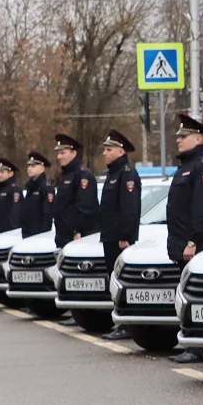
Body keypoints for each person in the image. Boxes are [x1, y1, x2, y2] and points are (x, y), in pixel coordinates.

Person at [165, 113, 203, 365]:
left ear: (199, 138)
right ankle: (190, 341)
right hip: (182, 244)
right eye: (178, 136)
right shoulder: (185, 167)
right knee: (186, 294)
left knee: (195, 296)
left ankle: (198, 347)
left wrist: (192, 241)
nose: (178, 140)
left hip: (194, 246)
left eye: (184, 136)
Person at [97, 129, 142, 340]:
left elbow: (129, 209)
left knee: (121, 281)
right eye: (104, 150)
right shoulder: (113, 173)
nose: (104, 153)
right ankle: (120, 320)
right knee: (113, 280)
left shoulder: (127, 173)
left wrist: (125, 236)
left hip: (120, 240)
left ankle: (126, 324)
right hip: (110, 237)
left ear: (120, 151)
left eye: (109, 150)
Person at [52, 134, 98, 248]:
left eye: (63, 153)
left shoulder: (83, 175)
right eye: (58, 153)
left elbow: (85, 207)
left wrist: (77, 231)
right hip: (63, 236)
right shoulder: (65, 175)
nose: (59, 157)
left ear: (73, 153)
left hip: (78, 237)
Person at [19, 151, 53, 238]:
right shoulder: (30, 187)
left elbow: (47, 215)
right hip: (27, 235)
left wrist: (43, 237)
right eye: (29, 166)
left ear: (42, 168)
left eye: (33, 166)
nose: (29, 168)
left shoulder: (46, 187)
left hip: (39, 237)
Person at [0, 158, 24, 233]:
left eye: (2, 172)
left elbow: (15, 215)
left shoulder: (15, 190)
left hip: (9, 234)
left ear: (10, 173)